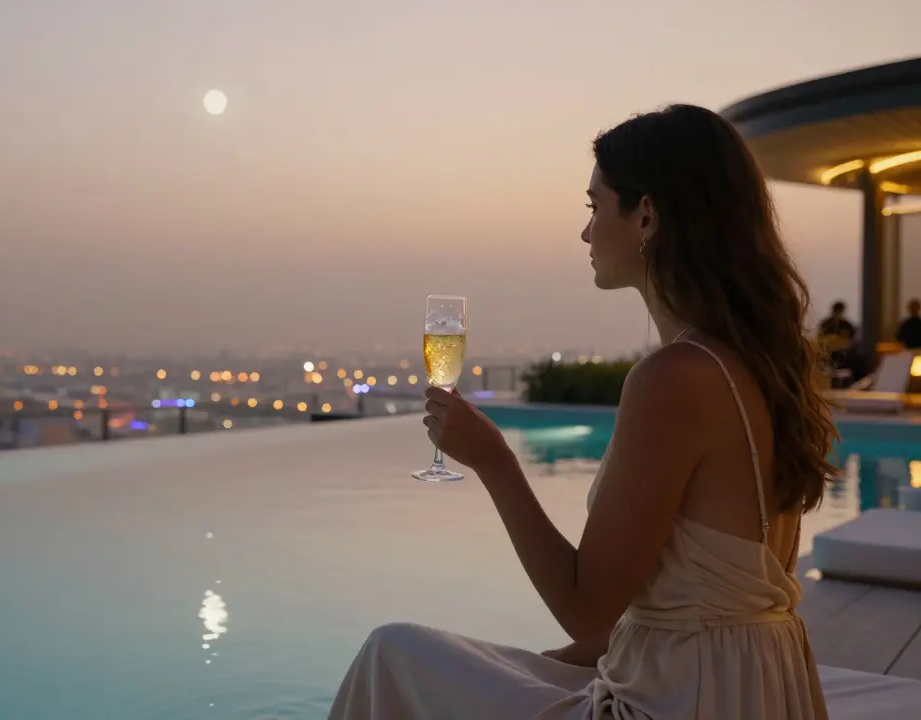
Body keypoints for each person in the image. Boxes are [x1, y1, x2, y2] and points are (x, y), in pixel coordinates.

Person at [328, 105, 837, 719]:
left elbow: (585, 604)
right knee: (477, 665)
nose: (585, 232)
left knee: (392, 655)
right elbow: (685, 607)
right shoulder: (756, 364)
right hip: (750, 687)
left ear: (645, 214)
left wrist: (493, 459)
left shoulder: (674, 379)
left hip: (683, 701)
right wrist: (543, 663)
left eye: (595, 207)